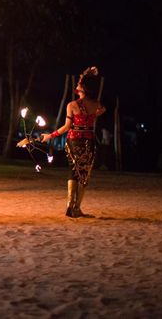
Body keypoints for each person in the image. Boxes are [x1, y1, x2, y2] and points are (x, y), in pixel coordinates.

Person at [42, 67, 106, 218]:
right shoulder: (96, 104)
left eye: (79, 83)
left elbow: (66, 127)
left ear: (83, 88)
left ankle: (70, 207)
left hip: (73, 141)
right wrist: (92, 116)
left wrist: (49, 136)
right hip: (88, 141)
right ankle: (76, 208)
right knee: (84, 174)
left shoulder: (72, 105)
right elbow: (102, 109)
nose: (76, 84)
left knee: (73, 171)